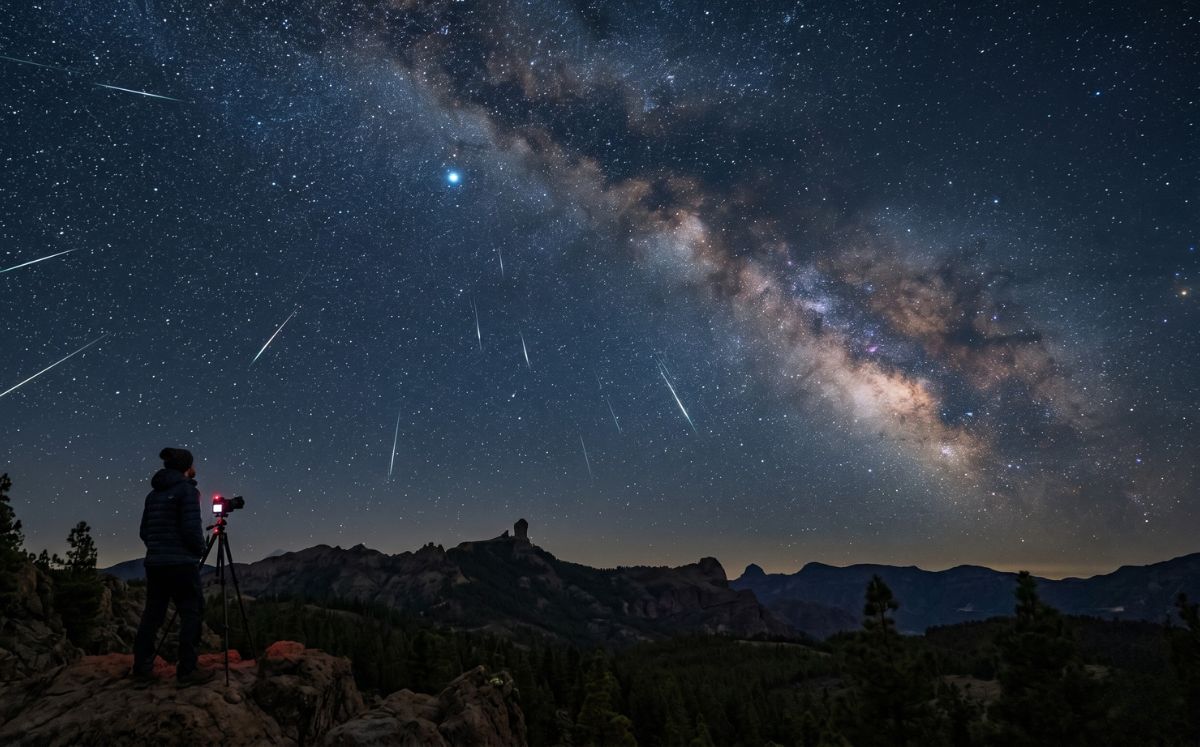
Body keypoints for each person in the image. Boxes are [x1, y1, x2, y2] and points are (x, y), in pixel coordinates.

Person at [129, 447, 215, 687]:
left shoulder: (153, 495)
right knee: (192, 611)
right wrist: (199, 550)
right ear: (186, 467)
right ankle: (187, 671)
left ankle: (141, 669)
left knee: (152, 615)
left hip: (155, 564)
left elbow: (144, 531)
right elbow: (191, 529)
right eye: (192, 464)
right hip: (181, 564)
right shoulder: (188, 491)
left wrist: (159, 548)